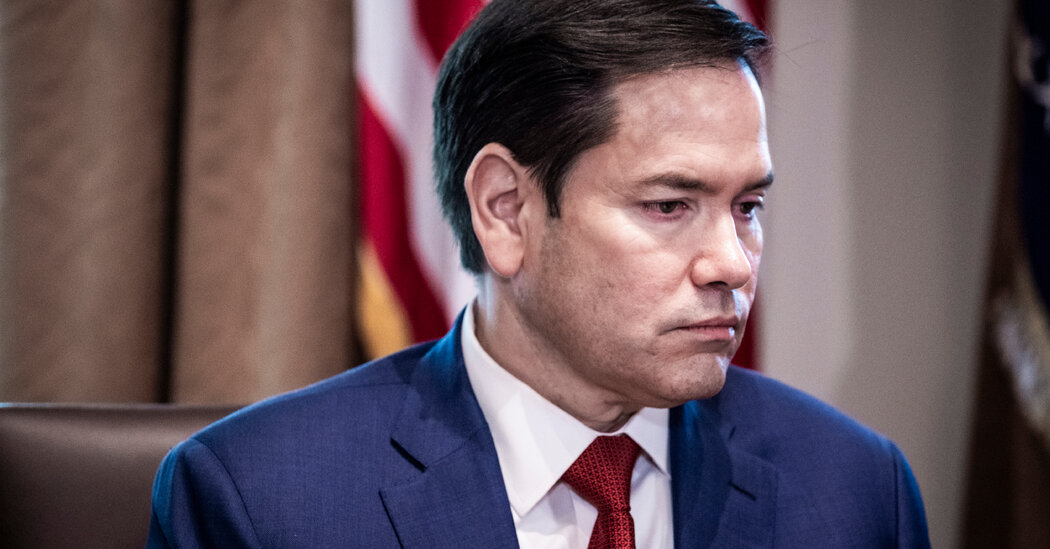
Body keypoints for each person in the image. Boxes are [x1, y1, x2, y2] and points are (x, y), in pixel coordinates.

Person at [148, 0, 931, 547]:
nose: (731, 261)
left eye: (748, 206)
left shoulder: (858, 490)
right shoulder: (259, 502)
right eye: (669, 205)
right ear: (505, 210)